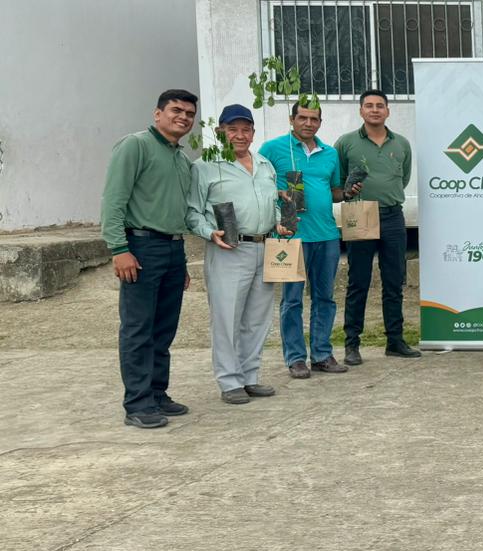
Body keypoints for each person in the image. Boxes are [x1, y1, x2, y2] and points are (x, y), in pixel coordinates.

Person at [102, 88, 198, 428]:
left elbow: (178, 211)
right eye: (176, 110)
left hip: (173, 249)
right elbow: (113, 200)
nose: (183, 117)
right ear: (158, 114)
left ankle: (158, 394)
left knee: (164, 328)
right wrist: (119, 249)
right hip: (141, 247)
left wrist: (181, 260)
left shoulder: (182, 159)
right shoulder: (135, 146)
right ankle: (138, 403)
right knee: (138, 328)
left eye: (189, 114)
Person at [185, 105, 283, 404]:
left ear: (253, 132)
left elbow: (273, 203)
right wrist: (208, 232)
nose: (240, 135)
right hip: (229, 249)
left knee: (257, 318)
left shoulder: (265, 164)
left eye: (245, 129)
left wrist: (279, 220)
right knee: (227, 317)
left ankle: (249, 376)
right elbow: (192, 211)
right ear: (220, 132)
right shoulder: (206, 166)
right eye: (232, 129)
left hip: (264, 246)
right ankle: (229, 381)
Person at [260, 98, 350, 379]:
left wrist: (348, 191)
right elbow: (258, 185)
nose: (308, 123)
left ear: (320, 122)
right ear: (292, 119)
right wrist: (276, 196)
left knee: (325, 297)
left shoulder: (329, 153)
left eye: (314, 119)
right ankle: (296, 358)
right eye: (303, 118)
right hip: (290, 235)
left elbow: (333, 191)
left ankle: (322, 354)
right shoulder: (272, 149)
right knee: (292, 301)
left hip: (327, 235)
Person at [335, 89, 417, 363]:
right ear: (361, 111)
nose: (374, 110)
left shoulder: (401, 144)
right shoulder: (346, 143)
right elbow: (340, 180)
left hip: (393, 216)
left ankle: (395, 341)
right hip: (361, 214)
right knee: (358, 281)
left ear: (387, 111)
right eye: (368, 105)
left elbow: (403, 179)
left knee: (394, 281)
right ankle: (352, 344)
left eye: (380, 105)